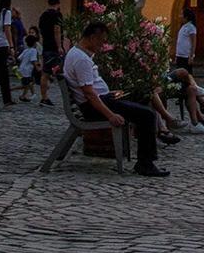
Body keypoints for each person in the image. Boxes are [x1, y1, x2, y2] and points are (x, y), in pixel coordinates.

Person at [62, 21, 167, 176]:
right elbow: (89, 94)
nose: (103, 46)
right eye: (102, 41)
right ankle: (146, 163)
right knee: (147, 115)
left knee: (142, 101)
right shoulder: (81, 59)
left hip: (101, 100)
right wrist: (111, 115)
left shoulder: (76, 53)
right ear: (92, 38)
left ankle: (145, 160)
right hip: (94, 108)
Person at [37, 0, 66, 106]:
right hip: (54, 47)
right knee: (62, 73)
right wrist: (59, 46)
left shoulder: (43, 15)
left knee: (45, 73)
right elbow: (57, 30)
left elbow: (41, 30)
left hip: (46, 46)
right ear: (58, 1)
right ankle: (67, 97)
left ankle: (44, 97)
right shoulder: (57, 15)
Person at [17, 34, 42, 102]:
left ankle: (23, 96)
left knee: (28, 83)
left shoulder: (26, 50)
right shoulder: (34, 51)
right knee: (26, 85)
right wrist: (36, 67)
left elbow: (19, 58)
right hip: (27, 70)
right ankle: (10, 89)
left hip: (22, 69)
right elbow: (33, 60)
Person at [175, 7, 199, 73]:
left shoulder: (191, 27)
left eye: (181, 14)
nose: (180, 16)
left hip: (186, 55)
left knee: (186, 73)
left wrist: (191, 56)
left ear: (186, 17)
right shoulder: (183, 27)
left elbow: (193, 42)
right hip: (180, 54)